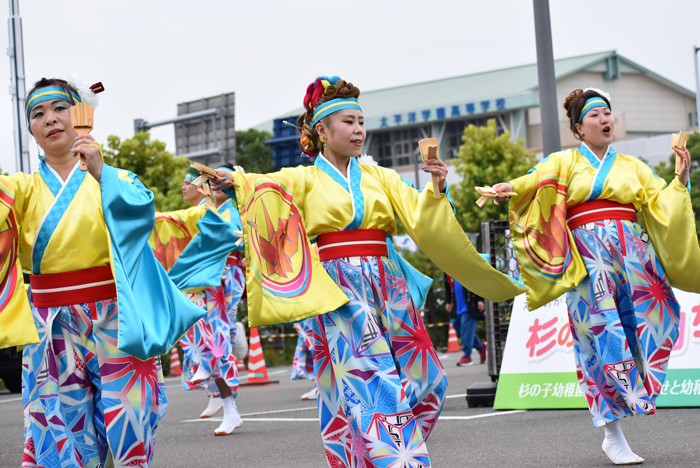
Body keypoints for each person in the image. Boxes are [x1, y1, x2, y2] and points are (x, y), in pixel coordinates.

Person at [211, 75, 526, 467]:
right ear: (322, 130)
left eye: (361, 121)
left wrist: (438, 189)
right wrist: (235, 181)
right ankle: (401, 459)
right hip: (339, 287)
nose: (359, 129)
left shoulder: (380, 177)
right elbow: (264, 189)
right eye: (349, 122)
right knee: (371, 376)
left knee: (428, 378)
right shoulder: (303, 178)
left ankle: (366, 453)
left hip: (387, 280)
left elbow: (422, 217)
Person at [0, 77, 206, 468]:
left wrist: (101, 172)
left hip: (115, 312)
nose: (50, 119)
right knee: (62, 428)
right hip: (51, 322)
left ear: (81, 115)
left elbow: (140, 216)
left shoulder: (117, 179)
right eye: (38, 114)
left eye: (60, 108)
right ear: (30, 131)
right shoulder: (21, 188)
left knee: (132, 416)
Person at [492, 87, 700, 465]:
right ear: (578, 128)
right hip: (589, 260)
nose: (606, 119)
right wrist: (510, 188)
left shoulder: (632, 166)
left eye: (608, 113)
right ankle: (612, 432)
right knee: (599, 336)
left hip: (634, 256)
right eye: (595, 115)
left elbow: (662, 205)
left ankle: (639, 391)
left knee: (658, 319)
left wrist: (680, 181)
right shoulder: (564, 162)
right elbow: (534, 181)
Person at [151, 164, 245, 436]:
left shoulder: (237, 208)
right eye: (209, 179)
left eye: (219, 179)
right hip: (203, 279)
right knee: (192, 326)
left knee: (214, 336)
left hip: (225, 275)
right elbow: (174, 226)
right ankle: (226, 345)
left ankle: (229, 407)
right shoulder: (203, 212)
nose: (214, 183)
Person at [452, 280, 486, 367]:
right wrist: (449, 301)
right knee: (461, 330)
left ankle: (467, 356)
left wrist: (480, 299)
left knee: (466, 332)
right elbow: (448, 284)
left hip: (470, 305)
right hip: (456, 306)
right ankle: (480, 346)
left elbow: (477, 279)